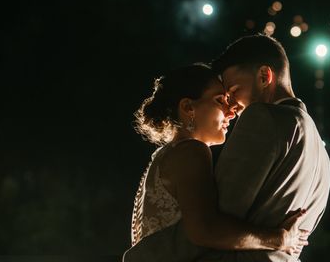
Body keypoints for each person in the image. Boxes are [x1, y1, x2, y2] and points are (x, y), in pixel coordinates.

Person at [123, 63, 309, 262]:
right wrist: (280, 239)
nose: (231, 112)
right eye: (220, 101)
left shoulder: (166, 155)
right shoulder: (192, 151)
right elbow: (205, 230)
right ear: (188, 107)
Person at [204, 34, 330, 262]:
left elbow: (217, 214)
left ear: (264, 76)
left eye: (233, 91)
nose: (230, 106)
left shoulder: (261, 117)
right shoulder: (321, 154)